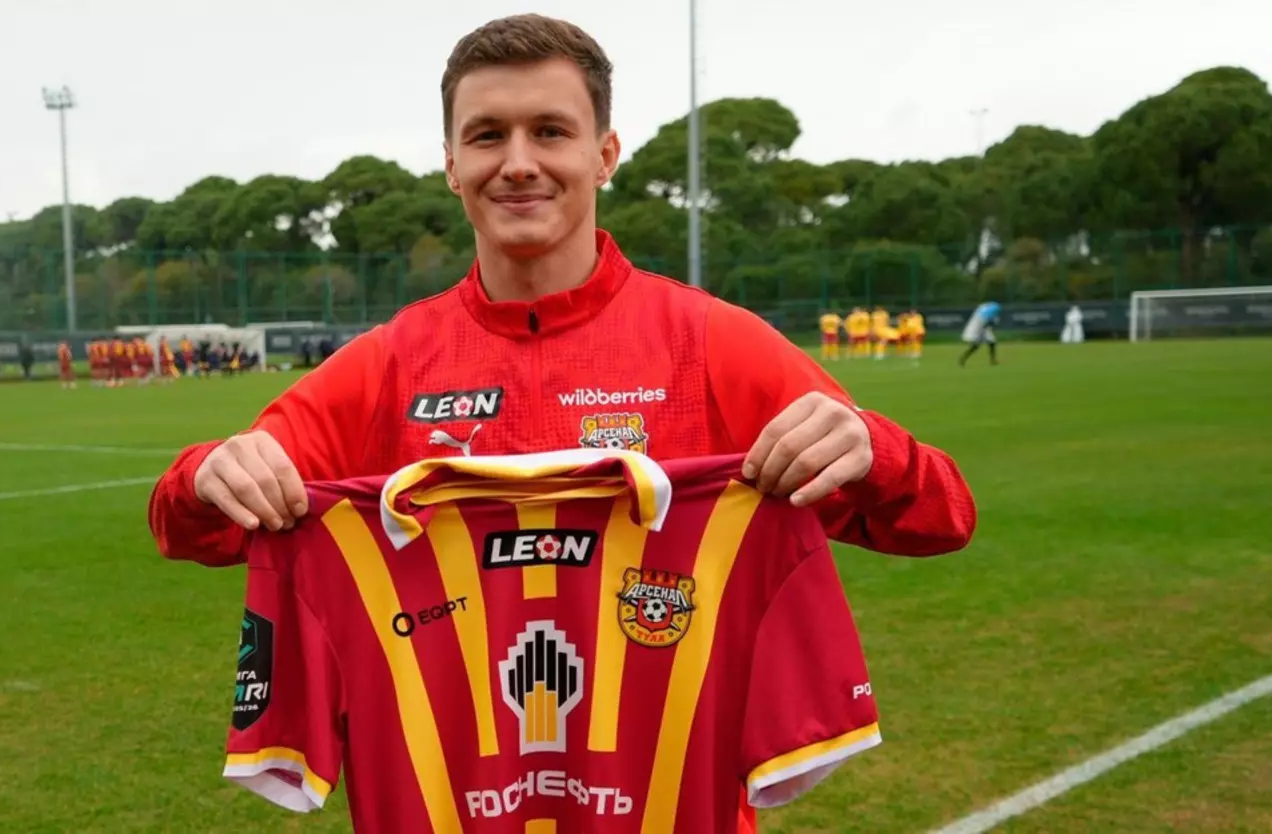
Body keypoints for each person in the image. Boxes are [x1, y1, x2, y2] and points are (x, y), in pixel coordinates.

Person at [148, 13, 976, 831]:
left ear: (604, 153)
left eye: (550, 131)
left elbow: (944, 517)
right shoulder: (386, 367)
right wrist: (205, 476)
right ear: (451, 164)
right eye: (486, 136)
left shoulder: (711, 345)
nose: (518, 163)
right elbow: (194, 529)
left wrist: (878, 453)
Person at [959, 300, 1001, 366]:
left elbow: (988, 320)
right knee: (977, 345)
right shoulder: (991, 309)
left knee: (992, 343)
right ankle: (963, 359)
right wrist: (992, 324)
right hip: (980, 328)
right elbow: (988, 321)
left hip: (983, 328)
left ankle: (993, 360)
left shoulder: (983, 307)